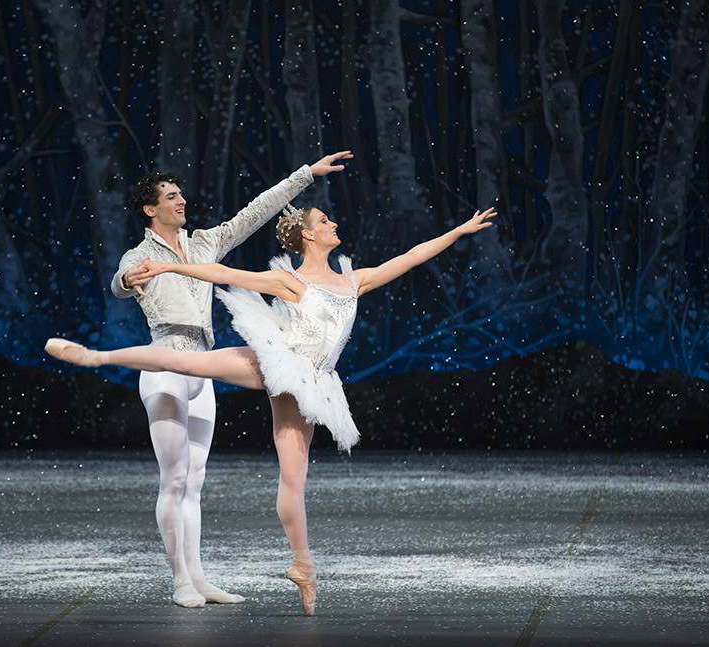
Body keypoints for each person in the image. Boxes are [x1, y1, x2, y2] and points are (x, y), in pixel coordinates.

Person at [48, 202, 497, 615]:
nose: (333, 225)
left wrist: (460, 230)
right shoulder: (289, 281)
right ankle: (96, 357)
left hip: (310, 382)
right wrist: (168, 264)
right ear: (306, 235)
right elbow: (222, 272)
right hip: (276, 358)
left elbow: (412, 256)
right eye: (324, 221)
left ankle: (302, 566)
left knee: (294, 478)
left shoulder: (354, 280)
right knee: (187, 359)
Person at [104, 152, 353, 609]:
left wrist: (305, 175)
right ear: (150, 209)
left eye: (181, 195)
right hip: (165, 365)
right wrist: (125, 278)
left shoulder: (204, 243)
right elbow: (121, 281)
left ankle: (198, 578)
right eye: (172, 197)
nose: (182, 201)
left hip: (204, 365)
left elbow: (256, 212)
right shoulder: (140, 254)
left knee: (195, 480)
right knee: (173, 478)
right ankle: (180, 580)